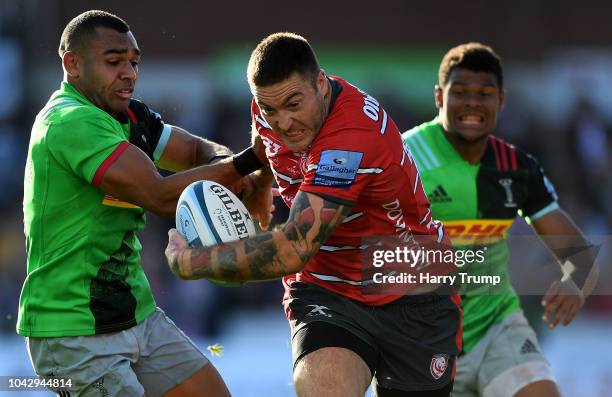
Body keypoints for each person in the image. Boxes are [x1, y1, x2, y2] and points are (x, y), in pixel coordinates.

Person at [164, 32, 462, 397]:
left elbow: (293, 249)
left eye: (293, 104)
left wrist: (192, 263)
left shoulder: (350, 138)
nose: (283, 122)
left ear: (321, 84)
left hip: (413, 292)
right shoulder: (268, 107)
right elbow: (265, 142)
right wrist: (259, 185)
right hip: (328, 290)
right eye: (271, 109)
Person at [19, 10, 269, 397]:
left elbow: (197, 151)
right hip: (71, 332)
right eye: (114, 61)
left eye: (134, 62)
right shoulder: (70, 121)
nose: (129, 73)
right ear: (72, 63)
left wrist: (238, 175)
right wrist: (248, 162)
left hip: (137, 316)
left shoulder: (129, 115)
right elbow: (158, 194)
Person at [402, 43, 599, 397]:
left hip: (498, 328)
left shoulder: (516, 168)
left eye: (485, 94)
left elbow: (578, 254)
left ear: (501, 101)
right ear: (438, 97)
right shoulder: (404, 157)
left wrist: (574, 282)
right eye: (460, 93)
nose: (473, 103)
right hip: (418, 336)